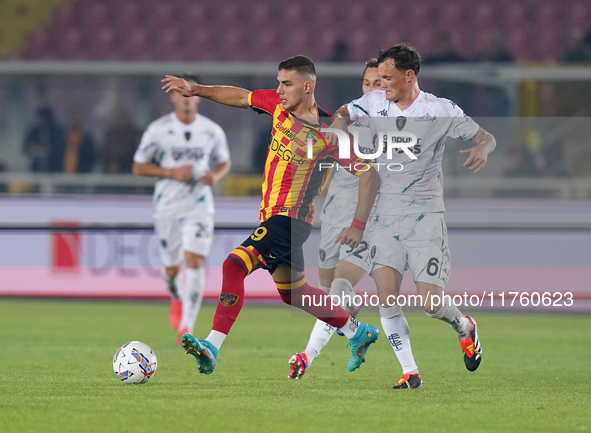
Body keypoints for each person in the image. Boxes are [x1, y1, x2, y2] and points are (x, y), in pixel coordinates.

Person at [161, 55, 380, 375]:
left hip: (289, 220)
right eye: (278, 82)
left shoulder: (329, 132)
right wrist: (197, 89)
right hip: (275, 219)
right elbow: (239, 96)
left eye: (286, 84)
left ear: (307, 87)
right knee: (295, 294)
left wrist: (358, 224)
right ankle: (356, 332)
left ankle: (211, 345)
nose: (278, 89)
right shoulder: (278, 106)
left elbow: (370, 174)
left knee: (233, 265)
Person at [328, 43, 496, 389]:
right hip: (384, 217)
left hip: (425, 216)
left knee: (432, 304)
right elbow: (344, 110)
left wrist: (483, 146)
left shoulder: (439, 110)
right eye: (377, 79)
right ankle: (410, 371)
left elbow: (486, 136)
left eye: (387, 78)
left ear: (409, 76)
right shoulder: (375, 103)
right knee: (386, 297)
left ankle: (465, 327)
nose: (381, 85)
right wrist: (340, 131)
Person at [287, 58, 382, 379]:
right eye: (367, 84)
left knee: (341, 286)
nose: (372, 90)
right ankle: (344, 331)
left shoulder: (398, 123)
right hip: (334, 213)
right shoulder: (348, 116)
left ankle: (307, 353)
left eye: (379, 84)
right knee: (329, 293)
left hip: (369, 216)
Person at [133, 74, 231, 344]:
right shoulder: (158, 129)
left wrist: (216, 177)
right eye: (180, 92)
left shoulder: (211, 131)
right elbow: (139, 166)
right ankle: (176, 296)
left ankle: (186, 327)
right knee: (173, 269)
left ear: (198, 96)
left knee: (195, 260)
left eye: (191, 92)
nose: (186, 98)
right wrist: (170, 171)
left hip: (199, 205)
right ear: (173, 96)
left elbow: (223, 162)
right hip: (167, 206)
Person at [23, 106, 66, 172]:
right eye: (39, 117)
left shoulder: (58, 131)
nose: (41, 120)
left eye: (43, 117)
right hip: (37, 167)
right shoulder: (34, 131)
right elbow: (26, 146)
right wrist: (32, 148)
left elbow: (61, 147)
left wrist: (51, 150)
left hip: (55, 168)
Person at [104, 106, 141, 173]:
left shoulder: (135, 133)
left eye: (123, 114)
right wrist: (112, 163)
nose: (121, 117)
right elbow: (105, 152)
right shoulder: (111, 134)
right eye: (118, 115)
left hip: (131, 169)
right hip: (111, 171)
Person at [64, 107, 96, 173]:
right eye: (73, 116)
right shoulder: (63, 138)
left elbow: (91, 159)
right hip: (62, 177)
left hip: (82, 177)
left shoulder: (87, 139)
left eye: (77, 116)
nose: (75, 119)